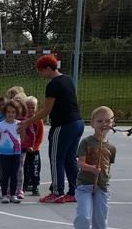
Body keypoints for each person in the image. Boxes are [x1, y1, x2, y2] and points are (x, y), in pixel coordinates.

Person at [20, 54, 84, 204]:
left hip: (63, 125)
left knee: (56, 159)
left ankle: (56, 192)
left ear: (48, 68)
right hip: (78, 123)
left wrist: (27, 122)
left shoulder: (53, 85)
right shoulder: (68, 79)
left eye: (41, 70)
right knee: (69, 158)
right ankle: (75, 191)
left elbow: (47, 110)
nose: (40, 73)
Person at [73, 106, 116, 229]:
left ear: (112, 124)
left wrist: (103, 176)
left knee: (101, 217)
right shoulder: (86, 142)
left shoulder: (111, 147)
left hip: (102, 187)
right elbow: (80, 163)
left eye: (107, 121)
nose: (104, 124)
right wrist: (91, 168)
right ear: (92, 123)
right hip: (85, 185)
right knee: (83, 216)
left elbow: (108, 166)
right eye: (100, 121)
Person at [0, 100, 24, 204]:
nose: (11, 114)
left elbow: (22, 136)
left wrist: (19, 147)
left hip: (16, 153)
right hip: (4, 154)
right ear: (4, 113)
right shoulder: (0, 125)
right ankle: (4, 195)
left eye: (13, 112)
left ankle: (13, 195)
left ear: (16, 113)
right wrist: (0, 149)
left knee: (14, 174)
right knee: (5, 174)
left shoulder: (19, 124)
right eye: (8, 112)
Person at [22, 96, 44, 196]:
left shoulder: (39, 121)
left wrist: (35, 147)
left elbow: (40, 136)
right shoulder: (23, 120)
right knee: (24, 168)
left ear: (36, 108)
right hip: (24, 149)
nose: (30, 110)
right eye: (28, 107)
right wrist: (25, 146)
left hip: (34, 150)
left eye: (32, 107)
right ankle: (23, 185)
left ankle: (35, 186)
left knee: (35, 168)